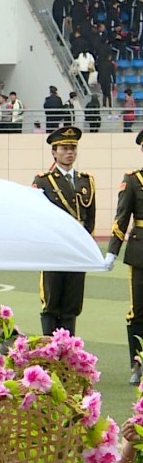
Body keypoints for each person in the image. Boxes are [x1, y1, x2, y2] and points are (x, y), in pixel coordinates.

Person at [32, 126, 96, 336]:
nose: (70, 153)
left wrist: (84, 244)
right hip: (53, 251)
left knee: (71, 305)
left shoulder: (86, 181)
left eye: (73, 148)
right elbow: (37, 217)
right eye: (64, 148)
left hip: (75, 251)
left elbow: (89, 217)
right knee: (51, 304)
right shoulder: (44, 181)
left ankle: (69, 354)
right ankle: (50, 353)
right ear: (54, 152)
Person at [105, 129, 143, 384]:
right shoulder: (132, 180)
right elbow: (122, 218)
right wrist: (112, 251)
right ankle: (137, 365)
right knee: (138, 311)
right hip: (141, 253)